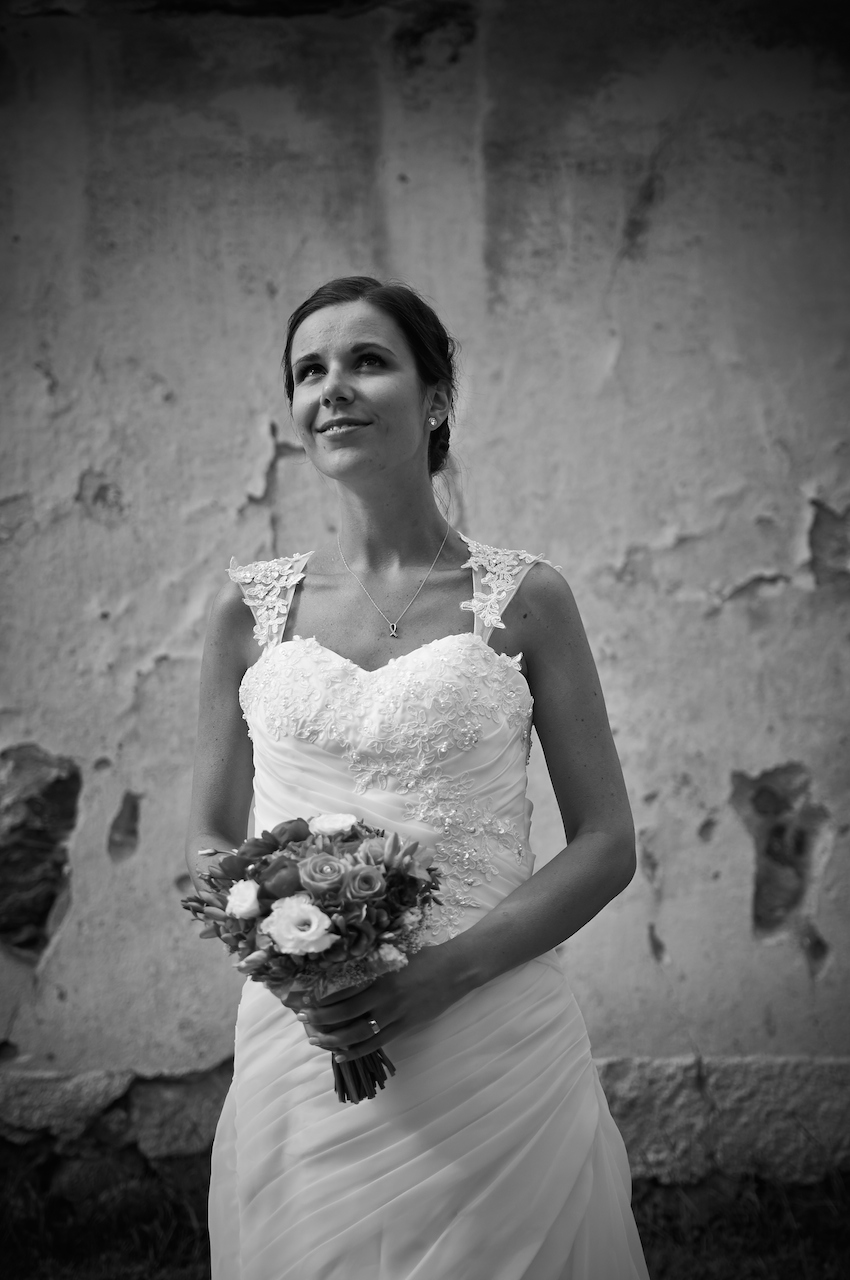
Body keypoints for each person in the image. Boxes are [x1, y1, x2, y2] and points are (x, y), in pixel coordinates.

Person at [186, 275, 650, 1280]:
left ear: (436, 398)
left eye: (368, 361)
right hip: (307, 1033)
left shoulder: (525, 599)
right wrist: (297, 964)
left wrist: (444, 975)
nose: (334, 388)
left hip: (493, 1030)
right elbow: (209, 832)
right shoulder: (247, 611)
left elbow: (608, 842)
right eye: (310, 370)